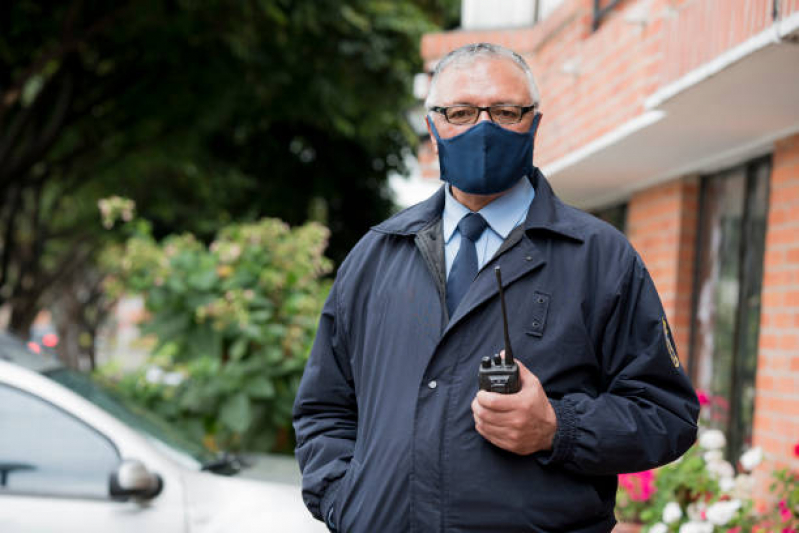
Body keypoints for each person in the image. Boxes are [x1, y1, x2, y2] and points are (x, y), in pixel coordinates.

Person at [293, 42, 699, 533]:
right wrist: (343, 501)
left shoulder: (600, 258)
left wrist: (558, 428)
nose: (483, 129)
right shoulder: (376, 256)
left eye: (507, 111)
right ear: (433, 127)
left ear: (535, 123)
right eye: (461, 112)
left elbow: (666, 414)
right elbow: (324, 406)